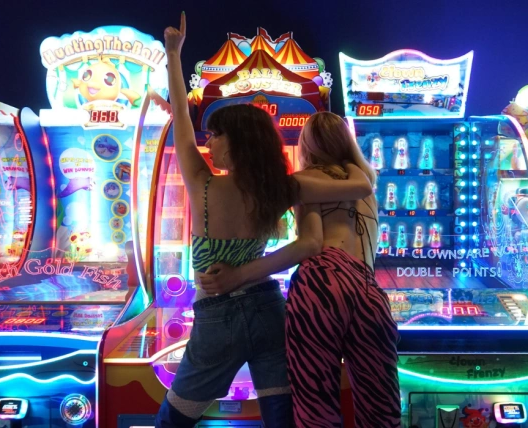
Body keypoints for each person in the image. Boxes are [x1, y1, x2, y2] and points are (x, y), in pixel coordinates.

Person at [157, 14, 373, 428]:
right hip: (269, 309)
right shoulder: (283, 188)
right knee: (280, 418)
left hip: (217, 317)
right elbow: (359, 187)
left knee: (172, 420)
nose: (208, 142)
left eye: (216, 135)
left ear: (236, 143)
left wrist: (174, 55)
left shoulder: (203, 184)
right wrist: (346, 157)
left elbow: (181, 118)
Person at [200, 112, 402, 427]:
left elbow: (309, 244)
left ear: (306, 145)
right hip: (369, 290)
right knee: (381, 408)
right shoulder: (365, 183)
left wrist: (238, 274)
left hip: (322, 285)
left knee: (315, 406)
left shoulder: (306, 181)